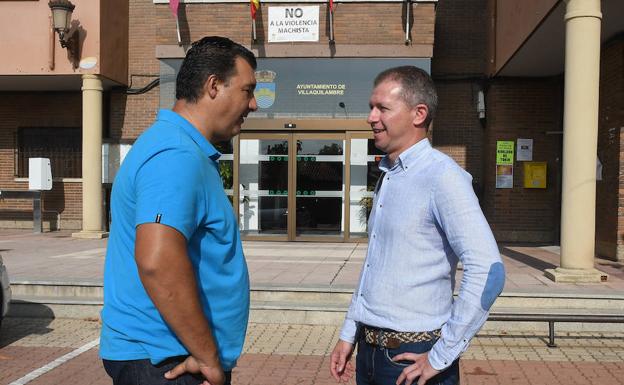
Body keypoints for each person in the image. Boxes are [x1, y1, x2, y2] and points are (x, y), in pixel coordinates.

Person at [329, 66, 505, 385]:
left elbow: (488, 271)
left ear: (418, 114)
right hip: (369, 353)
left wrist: (442, 355)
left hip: (412, 357)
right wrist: (349, 333)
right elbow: (374, 268)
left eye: (382, 108)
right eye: (371, 107)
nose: (371, 117)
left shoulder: (442, 177)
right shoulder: (390, 175)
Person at [99, 36, 258, 385]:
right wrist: (208, 356)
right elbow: (157, 260)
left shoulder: (180, 149)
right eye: (248, 90)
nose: (254, 104)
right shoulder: (177, 157)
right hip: (168, 361)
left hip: (169, 356)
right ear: (213, 86)